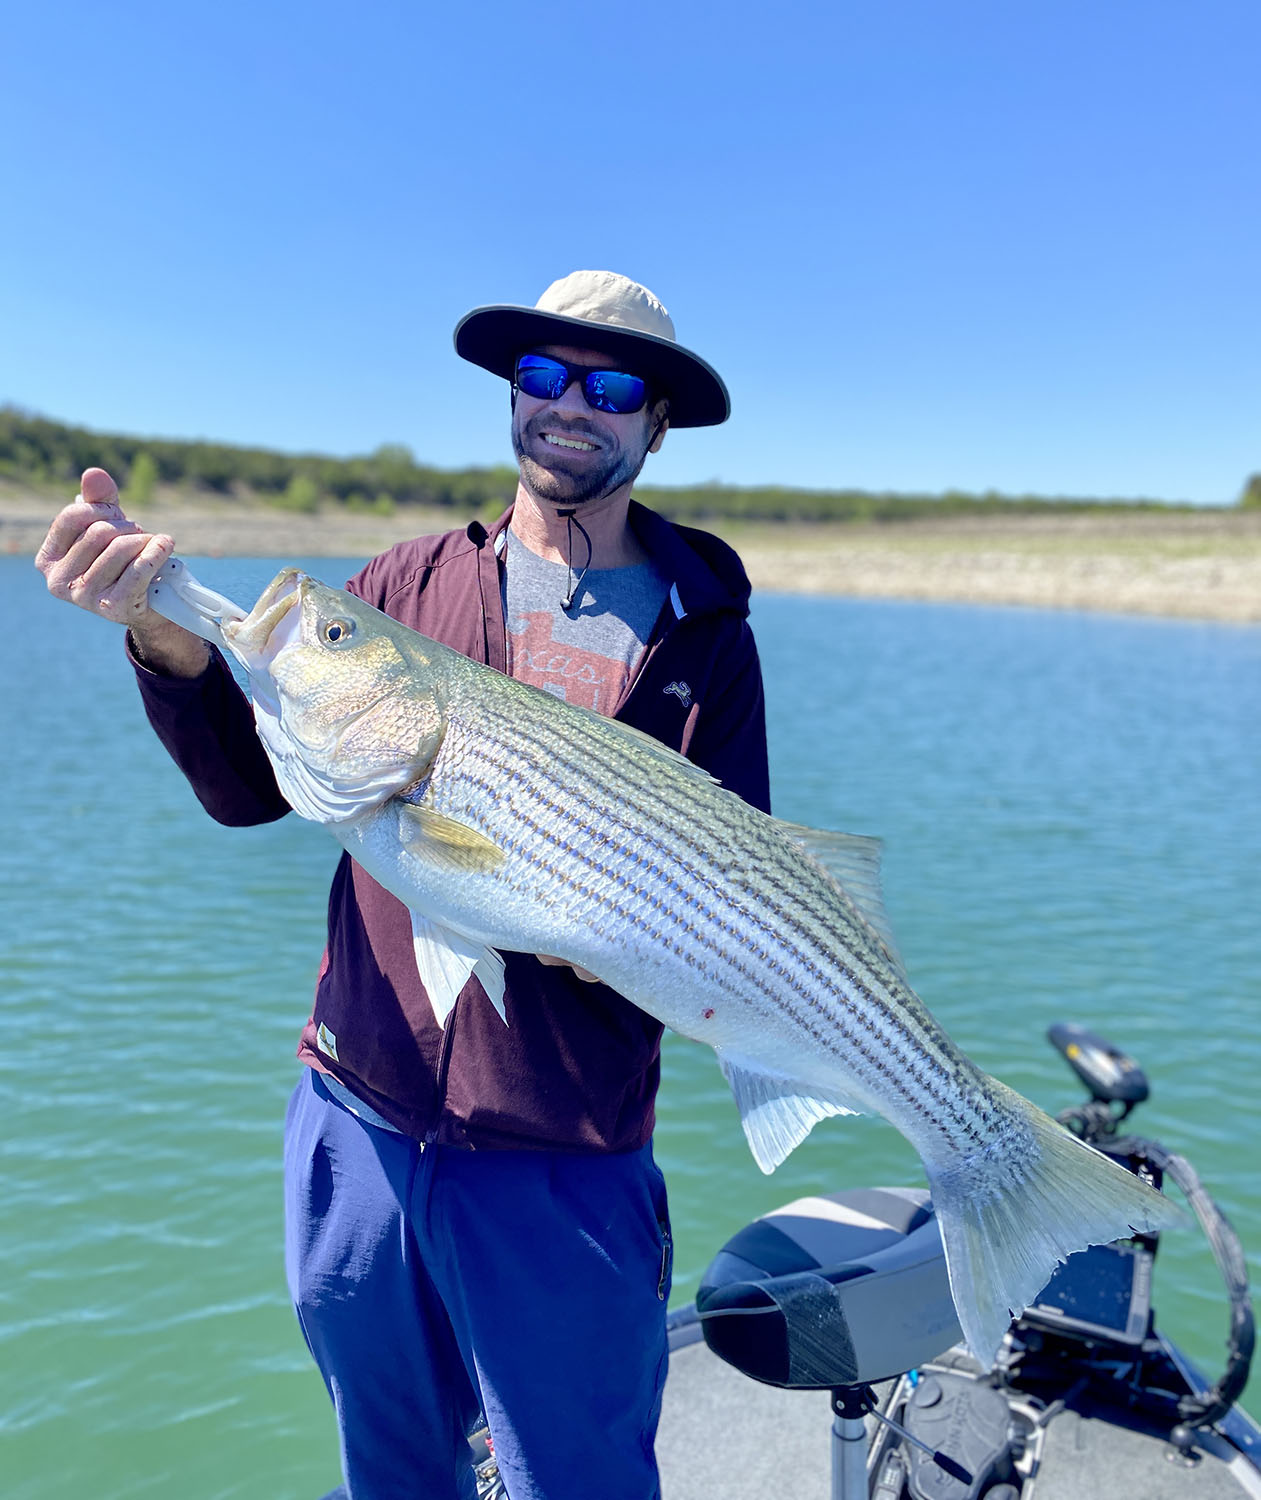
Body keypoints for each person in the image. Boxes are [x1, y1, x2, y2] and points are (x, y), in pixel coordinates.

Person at [36, 269, 770, 1500]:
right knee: (391, 1473)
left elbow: (733, 883)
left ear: (655, 423)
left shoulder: (706, 635)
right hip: (356, 1124)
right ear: (512, 399)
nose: (568, 405)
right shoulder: (401, 589)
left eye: (610, 385)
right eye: (541, 376)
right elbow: (248, 790)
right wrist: (164, 639)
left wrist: (621, 928)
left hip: (564, 1158)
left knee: (578, 1480)